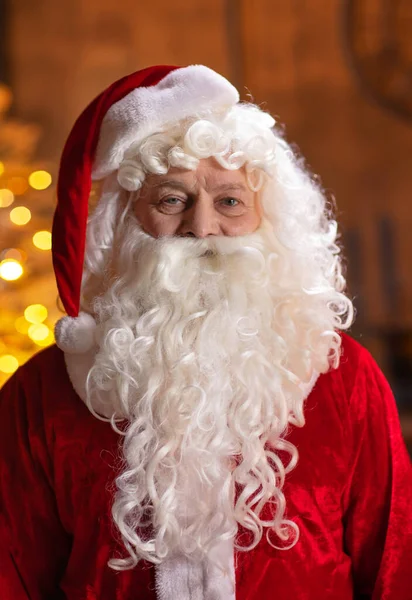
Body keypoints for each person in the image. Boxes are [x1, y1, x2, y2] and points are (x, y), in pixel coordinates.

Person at [0, 64, 411, 600]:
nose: (202, 227)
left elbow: (394, 566)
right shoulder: (41, 394)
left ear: (270, 220)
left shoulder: (344, 376)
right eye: (172, 200)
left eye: (230, 201)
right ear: (124, 224)